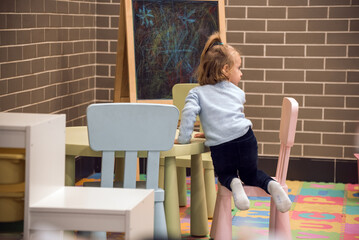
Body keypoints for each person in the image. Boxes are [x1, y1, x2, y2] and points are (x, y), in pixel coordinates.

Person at [175, 32, 292, 213]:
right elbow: (229, 117)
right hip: (246, 138)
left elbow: (189, 114)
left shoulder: (197, 93)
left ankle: (235, 184)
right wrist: (213, 130)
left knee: (225, 175)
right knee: (252, 175)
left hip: (222, 146)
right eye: (239, 68)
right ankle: (272, 185)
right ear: (225, 69)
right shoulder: (238, 92)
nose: (241, 73)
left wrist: (184, 139)